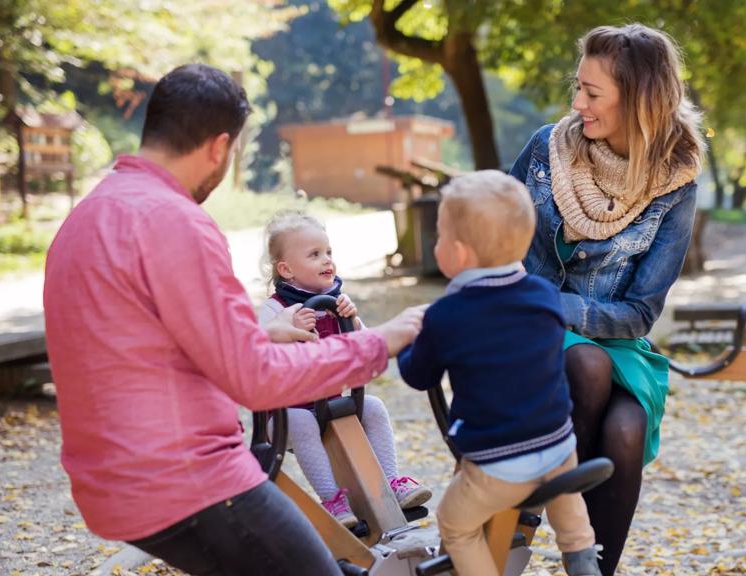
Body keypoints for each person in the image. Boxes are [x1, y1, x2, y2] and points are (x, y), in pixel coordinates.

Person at [43, 63, 424, 576]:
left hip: (112, 484)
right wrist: (379, 342)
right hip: (190, 483)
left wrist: (261, 330)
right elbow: (257, 379)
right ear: (220, 148)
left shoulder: (88, 216)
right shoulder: (175, 221)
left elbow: (136, 333)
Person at [509, 24, 705, 576]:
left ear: (641, 100)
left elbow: (641, 312)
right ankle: (526, 511)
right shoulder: (548, 150)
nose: (578, 104)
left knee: (625, 431)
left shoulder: (676, 183)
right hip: (530, 331)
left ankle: (590, 568)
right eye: (579, 87)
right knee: (587, 365)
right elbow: (489, 240)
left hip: (618, 341)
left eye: (593, 94)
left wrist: (560, 308)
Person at [398, 171, 602, 576]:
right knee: (566, 496)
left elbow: (418, 376)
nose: (436, 244)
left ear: (457, 253)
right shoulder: (545, 296)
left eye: (438, 237)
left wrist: (409, 341)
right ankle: (582, 558)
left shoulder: (446, 316)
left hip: (498, 465)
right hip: (560, 445)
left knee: (455, 525)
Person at [256, 210, 432, 527]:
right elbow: (259, 357)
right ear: (286, 269)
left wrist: (353, 319)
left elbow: (364, 343)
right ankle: (333, 500)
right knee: (302, 423)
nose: (327, 261)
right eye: (314, 255)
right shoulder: (276, 309)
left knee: (375, 408)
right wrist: (287, 330)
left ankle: (392, 483)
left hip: (331, 403)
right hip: (287, 414)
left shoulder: (338, 300)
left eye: (328, 252)